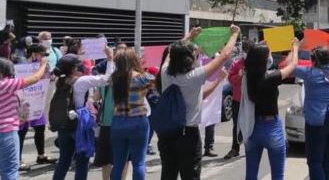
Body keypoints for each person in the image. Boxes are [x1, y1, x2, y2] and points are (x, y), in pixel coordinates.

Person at [158, 25, 239, 180]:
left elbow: (170, 50)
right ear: (189, 59)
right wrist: (234, 34)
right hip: (188, 135)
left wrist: (189, 35)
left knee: (167, 175)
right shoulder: (194, 76)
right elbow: (224, 55)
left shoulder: (165, 72)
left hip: (167, 135)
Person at [52, 48, 115, 180]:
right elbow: (106, 79)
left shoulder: (59, 81)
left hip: (64, 125)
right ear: (74, 68)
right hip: (80, 125)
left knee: (64, 160)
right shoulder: (81, 81)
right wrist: (110, 59)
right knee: (82, 161)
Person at [241, 39, 299, 180]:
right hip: (271, 127)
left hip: (252, 128)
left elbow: (282, 65)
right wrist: (296, 47)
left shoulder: (247, 75)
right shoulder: (270, 77)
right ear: (265, 59)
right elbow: (293, 65)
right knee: (277, 175)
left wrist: (261, 47)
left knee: (250, 175)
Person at [294, 39, 329, 180]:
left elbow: (292, 66)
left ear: (313, 60)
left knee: (315, 162)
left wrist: (295, 48)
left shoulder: (309, 73)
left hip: (317, 120)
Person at [0, 55, 48, 180]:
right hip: (6, 132)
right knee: (9, 170)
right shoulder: (6, 84)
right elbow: (36, 78)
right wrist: (43, 65)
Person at [110, 48, 155, 180]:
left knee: (118, 163)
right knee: (139, 162)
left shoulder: (114, 78)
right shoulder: (143, 78)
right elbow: (160, 84)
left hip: (118, 121)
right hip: (138, 121)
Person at [17, 44, 57, 171]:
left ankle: (41, 155)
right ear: (33, 54)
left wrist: (51, 77)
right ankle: (17, 160)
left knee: (40, 128)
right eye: (42, 55)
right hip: (24, 102)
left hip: (37, 101)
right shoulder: (21, 65)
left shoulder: (44, 66)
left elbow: (49, 79)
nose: (44, 58)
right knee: (21, 131)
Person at [224, 41, 250, 160]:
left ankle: (250, 147)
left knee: (250, 123)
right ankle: (235, 148)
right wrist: (239, 75)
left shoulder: (256, 63)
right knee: (237, 124)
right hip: (238, 100)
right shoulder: (236, 63)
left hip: (250, 100)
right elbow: (230, 79)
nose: (246, 53)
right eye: (245, 50)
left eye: (248, 51)